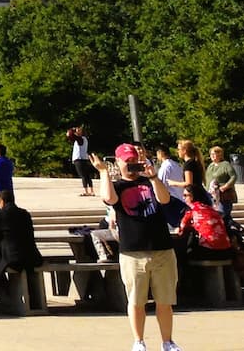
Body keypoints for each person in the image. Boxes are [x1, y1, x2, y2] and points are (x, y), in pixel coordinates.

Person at [104, 142, 182, 351]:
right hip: (133, 252)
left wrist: (154, 177)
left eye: (134, 160)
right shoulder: (118, 186)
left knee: (164, 300)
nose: (132, 164)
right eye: (127, 161)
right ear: (118, 162)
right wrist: (104, 173)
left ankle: (168, 341)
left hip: (162, 249)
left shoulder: (149, 182)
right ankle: (139, 341)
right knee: (136, 301)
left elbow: (164, 200)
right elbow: (109, 198)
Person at [0, 189, 41, 304]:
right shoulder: (25, 213)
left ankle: (3, 296)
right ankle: (8, 296)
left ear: (1, 201)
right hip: (32, 256)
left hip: (12, 258)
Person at [205, 145, 238, 221]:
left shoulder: (225, 164)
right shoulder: (210, 166)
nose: (212, 156)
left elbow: (234, 176)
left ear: (219, 154)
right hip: (212, 195)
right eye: (211, 154)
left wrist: (226, 186)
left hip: (223, 195)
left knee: (223, 215)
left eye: (214, 154)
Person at [68, 125, 96, 197]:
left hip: (79, 160)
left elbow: (69, 134)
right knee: (87, 175)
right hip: (85, 159)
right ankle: (91, 191)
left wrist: (73, 129)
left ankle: (86, 191)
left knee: (83, 175)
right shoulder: (84, 139)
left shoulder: (80, 139)